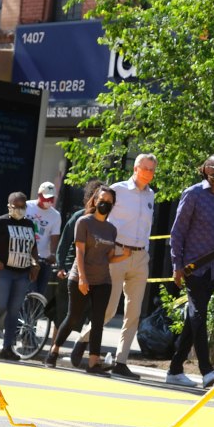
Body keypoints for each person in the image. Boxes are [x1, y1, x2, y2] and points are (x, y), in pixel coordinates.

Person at [75, 153, 158, 380]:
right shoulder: (118, 190)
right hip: (117, 253)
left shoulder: (151, 195)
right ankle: (84, 339)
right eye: (146, 169)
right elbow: (97, 214)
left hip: (140, 257)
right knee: (109, 310)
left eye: (152, 170)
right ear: (136, 168)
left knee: (134, 312)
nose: (150, 173)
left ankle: (121, 361)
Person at [166, 155, 214, 389]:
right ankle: (206, 369)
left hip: (212, 270)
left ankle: (174, 369)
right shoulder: (193, 194)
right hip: (191, 267)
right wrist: (176, 265)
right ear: (205, 169)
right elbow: (177, 232)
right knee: (198, 314)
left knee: (194, 319)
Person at [44, 186, 130, 374]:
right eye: (102, 199)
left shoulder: (111, 229)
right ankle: (54, 351)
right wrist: (82, 278)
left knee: (98, 321)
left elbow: (108, 257)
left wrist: (124, 256)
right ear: (95, 200)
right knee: (73, 316)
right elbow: (80, 252)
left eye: (109, 201)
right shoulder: (83, 222)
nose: (104, 203)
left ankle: (93, 363)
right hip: (80, 277)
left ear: (112, 205)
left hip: (103, 281)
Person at [0, 192, 40, 361]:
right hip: (3, 271)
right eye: (16, 206)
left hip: (22, 273)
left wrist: (35, 263)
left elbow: (33, 247)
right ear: (9, 206)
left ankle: (7, 348)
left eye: (23, 206)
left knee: (14, 311)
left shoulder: (29, 224)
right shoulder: (0, 222)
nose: (20, 209)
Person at [53, 179, 104, 368]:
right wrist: (61, 267)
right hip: (72, 273)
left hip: (96, 276)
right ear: (90, 198)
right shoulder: (78, 218)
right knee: (66, 315)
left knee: (94, 315)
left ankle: (86, 352)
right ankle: (54, 350)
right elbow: (64, 244)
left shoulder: (105, 223)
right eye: (97, 197)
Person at [26, 181, 61, 296]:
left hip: (44, 259)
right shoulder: (27, 206)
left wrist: (53, 253)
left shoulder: (55, 215)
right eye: (46, 198)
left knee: (40, 294)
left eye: (51, 198)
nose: (49, 201)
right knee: (30, 290)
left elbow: (54, 236)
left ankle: (33, 314)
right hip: (26, 256)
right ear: (39, 195)